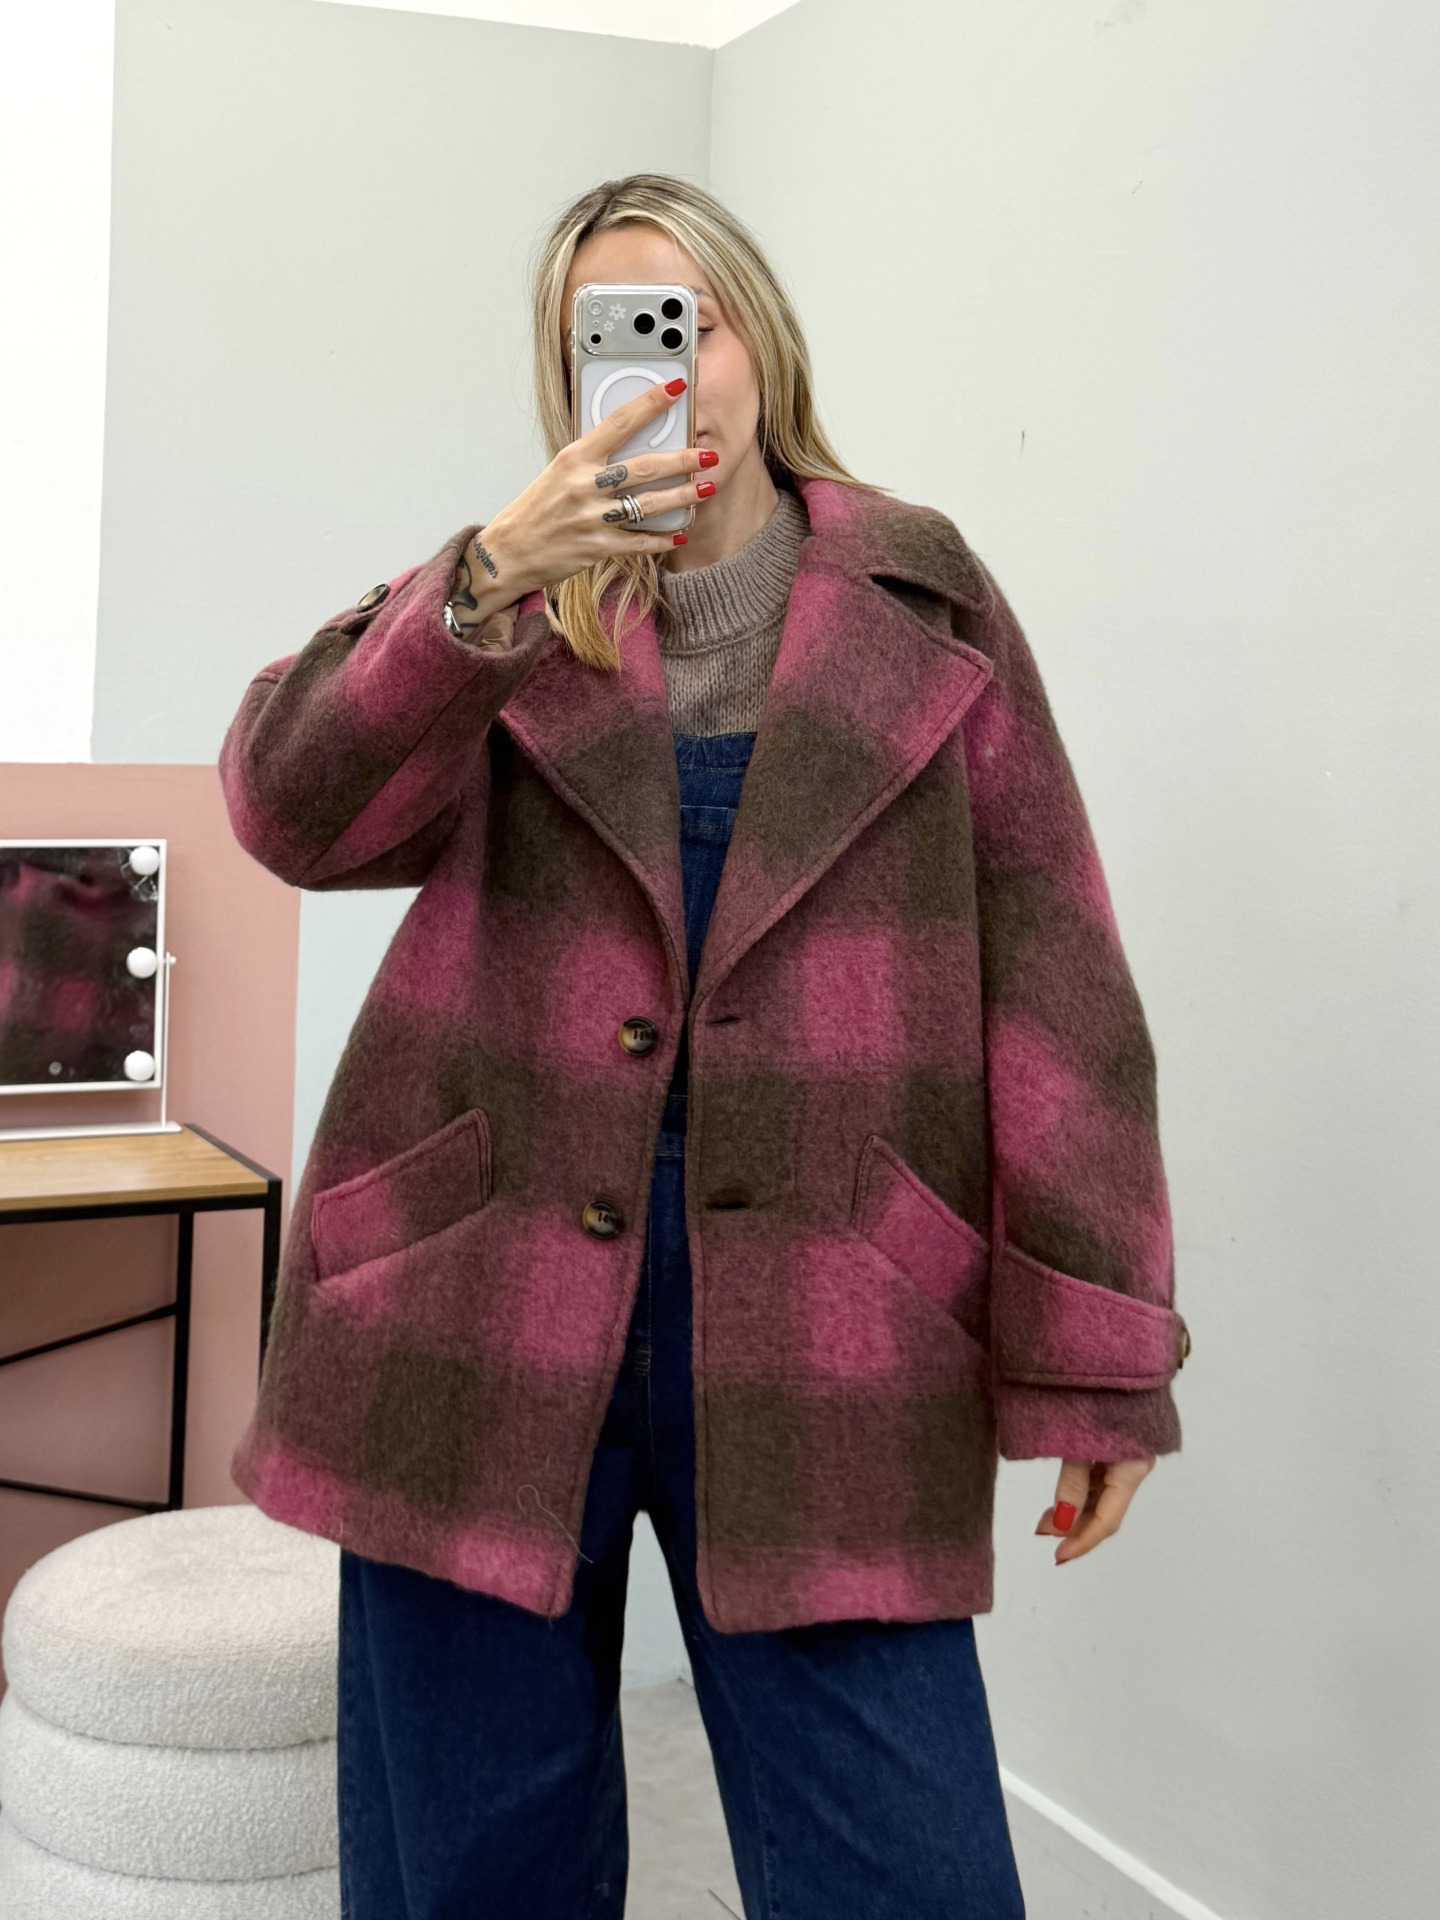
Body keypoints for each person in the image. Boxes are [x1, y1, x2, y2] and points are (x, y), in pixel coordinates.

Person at [221, 173, 1189, 1920]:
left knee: (912, 1876)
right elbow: (291, 812)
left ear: (763, 342)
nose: (667, 368)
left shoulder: (929, 597)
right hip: (479, 1296)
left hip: (839, 1300)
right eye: (613, 334)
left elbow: (1058, 982)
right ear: (568, 376)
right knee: (473, 1876)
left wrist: (1097, 1350)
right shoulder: (503, 616)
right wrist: (491, 578)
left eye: (694, 320)